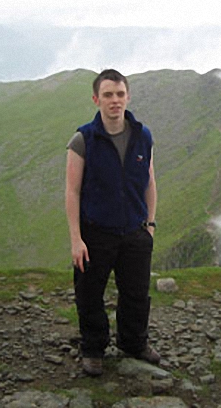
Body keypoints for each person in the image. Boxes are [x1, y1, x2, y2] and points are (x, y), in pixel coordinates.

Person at [65, 69, 160, 376]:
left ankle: (133, 343)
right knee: (90, 294)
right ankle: (93, 348)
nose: (115, 100)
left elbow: (149, 182)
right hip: (96, 232)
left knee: (135, 294)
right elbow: (72, 191)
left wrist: (150, 225)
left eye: (120, 94)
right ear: (96, 100)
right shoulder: (83, 139)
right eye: (108, 95)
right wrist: (76, 239)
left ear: (128, 96)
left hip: (134, 231)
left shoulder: (143, 135)